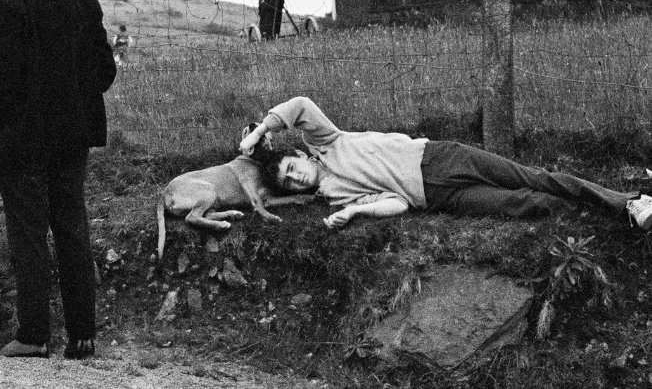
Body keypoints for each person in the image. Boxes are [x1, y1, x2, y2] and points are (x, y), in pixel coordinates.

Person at [0, 0, 118, 360]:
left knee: (28, 232)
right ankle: (82, 336)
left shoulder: (6, 2)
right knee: (72, 226)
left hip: (22, 138)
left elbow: (4, 82)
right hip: (73, 134)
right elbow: (105, 71)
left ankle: (34, 334)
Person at [238, 95, 652, 231]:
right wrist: (356, 211)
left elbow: (300, 105)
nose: (296, 178)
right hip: (436, 196)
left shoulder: (328, 142)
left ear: (299, 154)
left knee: (535, 177)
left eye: (292, 167)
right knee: (523, 205)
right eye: (291, 183)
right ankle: (616, 223)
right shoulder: (332, 196)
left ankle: (628, 203)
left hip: (440, 157)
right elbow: (397, 204)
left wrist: (258, 135)